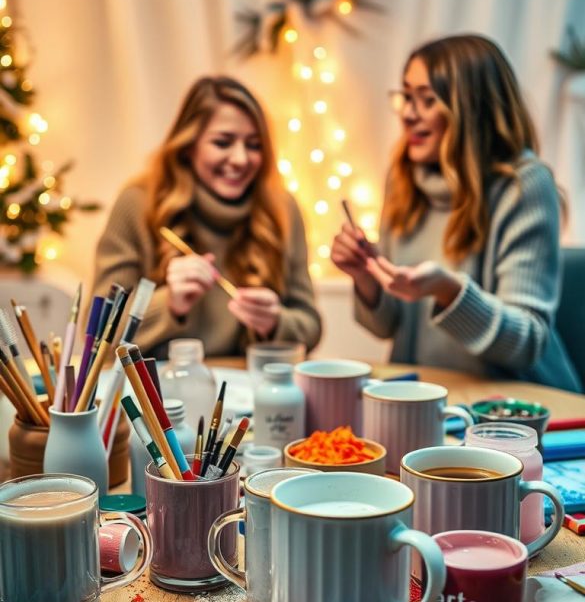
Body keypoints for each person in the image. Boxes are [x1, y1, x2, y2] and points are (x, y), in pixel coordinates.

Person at [331, 33, 582, 391]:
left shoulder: (524, 186)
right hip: (432, 399)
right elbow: (387, 326)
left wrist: (450, 292)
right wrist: (366, 278)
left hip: (515, 409)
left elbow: (527, 343)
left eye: (427, 99)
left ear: (472, 108)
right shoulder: (403, 178)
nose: (407, 113)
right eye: (406, 96)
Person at [91, 76, 322, 358]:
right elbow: (99, 336)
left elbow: (310, 326)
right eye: (223, 142)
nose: (240, 159)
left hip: (249, 390)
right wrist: (169, 304)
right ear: (189, 146)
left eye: (254, 145)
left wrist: (275, 322)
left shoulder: (282, 209)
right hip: (156, 395)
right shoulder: (138, 204)